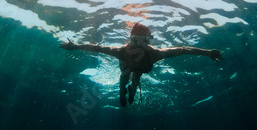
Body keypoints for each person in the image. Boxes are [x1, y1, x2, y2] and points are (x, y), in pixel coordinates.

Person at [60, 22, 223, 107]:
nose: (138, 45)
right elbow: (97, 48)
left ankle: (131, 94)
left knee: (135, 78)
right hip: (127, 68)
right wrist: (75, 46)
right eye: (134, 40)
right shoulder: (121, 51)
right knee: (124, 78)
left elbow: (183, 49)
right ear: (130, 40)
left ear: (148, 41)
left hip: (141, 68)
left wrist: (208, 53)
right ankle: (123, 93)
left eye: (143, 41)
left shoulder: (155, 54)